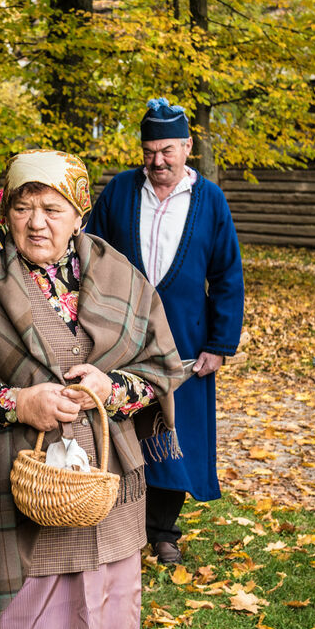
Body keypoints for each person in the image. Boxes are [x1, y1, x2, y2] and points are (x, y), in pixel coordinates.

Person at [0, 149, 188, 629]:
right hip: (17, 496)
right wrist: (18, 404)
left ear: (80, 214)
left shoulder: (118, 275)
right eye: (24, 206)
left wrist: (112, 389)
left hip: (108, 497)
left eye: (53, 208)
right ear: (5, 212)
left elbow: (160, 369)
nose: (37, 222)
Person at [84, 97, 244, 566]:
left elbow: (228, 274)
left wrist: (218, 343)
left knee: (176, 434)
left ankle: (163, 533)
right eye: (150, 150)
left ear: (188, 147)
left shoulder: (210, 200)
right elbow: (91, 252)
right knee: (122, 427)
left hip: (186, 340)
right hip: (122, 335)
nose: (158, 161)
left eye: (168, 150)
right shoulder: (119, 191)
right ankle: (119, 525)